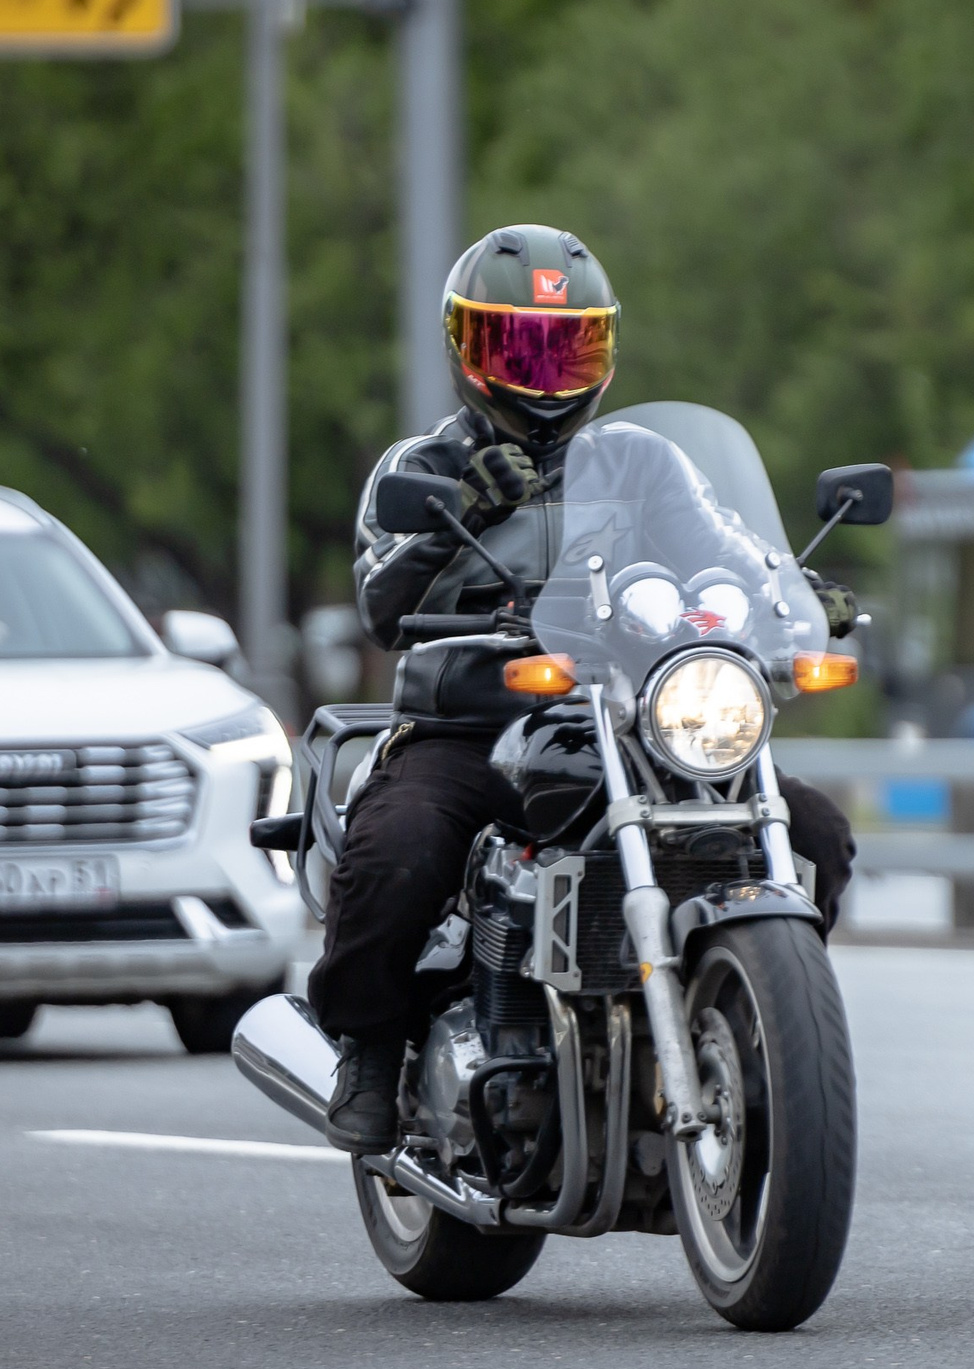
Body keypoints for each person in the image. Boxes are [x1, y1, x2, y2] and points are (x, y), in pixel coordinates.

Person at [311, 224, 860, 1153]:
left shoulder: (644, 460)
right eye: (517, 344)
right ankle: (368, 1043)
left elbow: (724, 549)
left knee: (814, 832)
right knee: (402, 848)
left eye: (569, 344)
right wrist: (461, 519)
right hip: (472, 726)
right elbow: (378, 598)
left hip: (628, 719)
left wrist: (794, 591)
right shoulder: (422, 469)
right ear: (468, 347)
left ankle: (757, 1011)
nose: (545, 368)